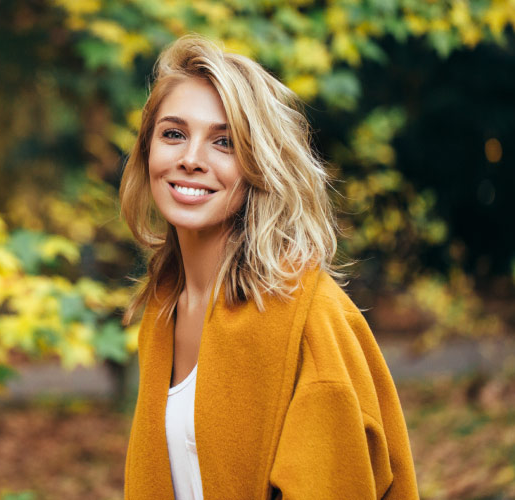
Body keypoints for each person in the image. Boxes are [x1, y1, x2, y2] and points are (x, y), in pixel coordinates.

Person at [119, 33, 419, 500]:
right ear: (147, 151)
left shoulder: (310, 317)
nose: (191, 159)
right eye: (173, 134)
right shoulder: (162, 313)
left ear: (259, 164)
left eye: (225, 142)